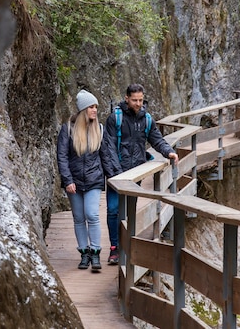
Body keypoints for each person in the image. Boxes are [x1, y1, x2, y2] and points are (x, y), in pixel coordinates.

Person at [103, 83, 179, 265]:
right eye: (134, 100)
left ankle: (127, 245)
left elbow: (156, 139)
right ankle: (114, 248)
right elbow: (108, 147)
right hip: (117, 174)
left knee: (130, 210)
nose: (138, 104)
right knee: (113, 210)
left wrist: (168, 151)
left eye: (140, 100)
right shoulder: (115, 119)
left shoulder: (146, 119)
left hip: (136, 173)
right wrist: (117, 175)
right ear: (126, 98)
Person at [57, 89, 119, 271]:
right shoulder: (68, 129)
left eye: (96, 107)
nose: (95, 110)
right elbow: (62, 156)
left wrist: (114, 178)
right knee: (78, 217)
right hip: (74, 180)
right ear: (84, 109)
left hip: (93, 179)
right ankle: (84, 253)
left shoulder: (99, 129)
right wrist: (67, 180)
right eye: (92, 107)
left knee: (92, 215)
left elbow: (105, 156)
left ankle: (95, 252)